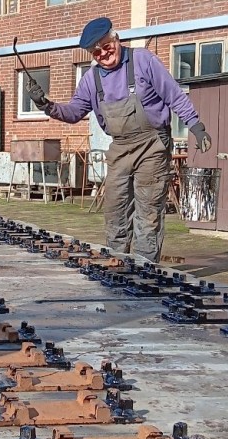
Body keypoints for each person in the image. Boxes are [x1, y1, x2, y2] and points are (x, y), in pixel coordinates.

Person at [27, 17, 211, 263]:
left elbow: (174, 95)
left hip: (152, 144)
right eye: (96, 52)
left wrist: (196, 127)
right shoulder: (91, 79)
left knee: (147, 214)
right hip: (120, 148)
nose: (103, 53)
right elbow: (74, 112)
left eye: (106, 46)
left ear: (116, 38)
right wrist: (45, 104)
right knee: (115, 212)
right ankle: (118, 268)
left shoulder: (143, 61)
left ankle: (145, 273)